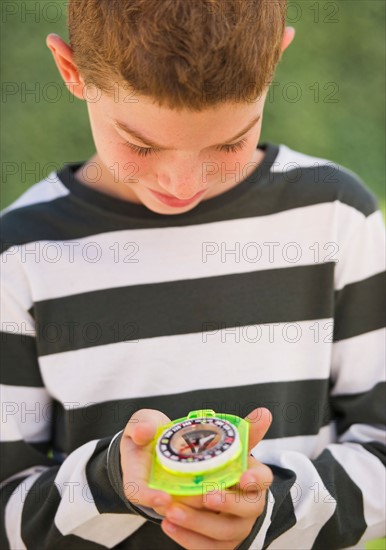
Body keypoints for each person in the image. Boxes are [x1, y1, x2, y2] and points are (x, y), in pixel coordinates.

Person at [1, 1, 385, 548]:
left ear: (275, 62)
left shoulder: (335, 217)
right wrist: (111, 483)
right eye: (141, 145)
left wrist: (271, 511)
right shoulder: (20, 255)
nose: (182, 183)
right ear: (72, 73)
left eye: (229, 143)